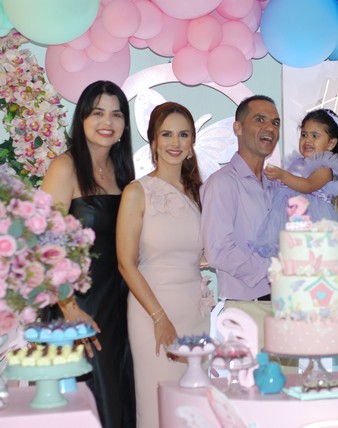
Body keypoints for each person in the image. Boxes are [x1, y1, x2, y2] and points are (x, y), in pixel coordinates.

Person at [40, 80, 136, 428]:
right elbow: (43, 247)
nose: (107, 122)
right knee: (91, 404)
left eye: (116, 114)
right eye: (97, 113)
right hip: (79, 306)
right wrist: (69, 308)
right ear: (81, 119)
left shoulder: (124, 174)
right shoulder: (64, 168)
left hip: (120, 306)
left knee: (120, 402)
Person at [117, 102, 212, 428]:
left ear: (192, 142)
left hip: (195, 311)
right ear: (154, 142)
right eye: (167, 134)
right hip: (152, 312)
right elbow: (126, 264)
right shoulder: (136, 192)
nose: (175, 142)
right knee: (157, 406)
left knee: (193, 408)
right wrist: (159, 318)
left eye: (183, 135)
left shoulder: (200, 192)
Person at [200, 95, 280, 345]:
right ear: (238, 128)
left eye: (275, 122)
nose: (270, 128)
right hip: (246, 309)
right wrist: (272, 271)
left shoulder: (276, 185)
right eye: (260, 120)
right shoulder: (222, 183)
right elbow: (218, 251)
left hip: (283, 307)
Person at [252, 108, 338, 257]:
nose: (307, 140)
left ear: (331, 144)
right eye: (304, 135)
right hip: (289, 216)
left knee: (307, 254)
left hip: (311, 219)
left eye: (315, 136)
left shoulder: (324, 168)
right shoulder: (296, 162)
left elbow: (308, 186)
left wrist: (282, 175)